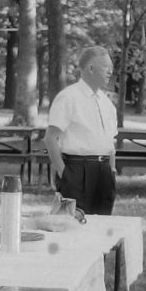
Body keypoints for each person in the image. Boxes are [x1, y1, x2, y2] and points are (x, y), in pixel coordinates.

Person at [45, 46, 118, 215]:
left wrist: (112, 171)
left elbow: (111, 141)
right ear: (90, 68)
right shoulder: (68, 97)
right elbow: (50, 138)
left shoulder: (106, 103)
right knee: (75, 222)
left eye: (111, 68)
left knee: (103, 223)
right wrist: (64, 174)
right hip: (77, 170)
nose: (110, 72)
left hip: (104, 172)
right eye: (105, 67)